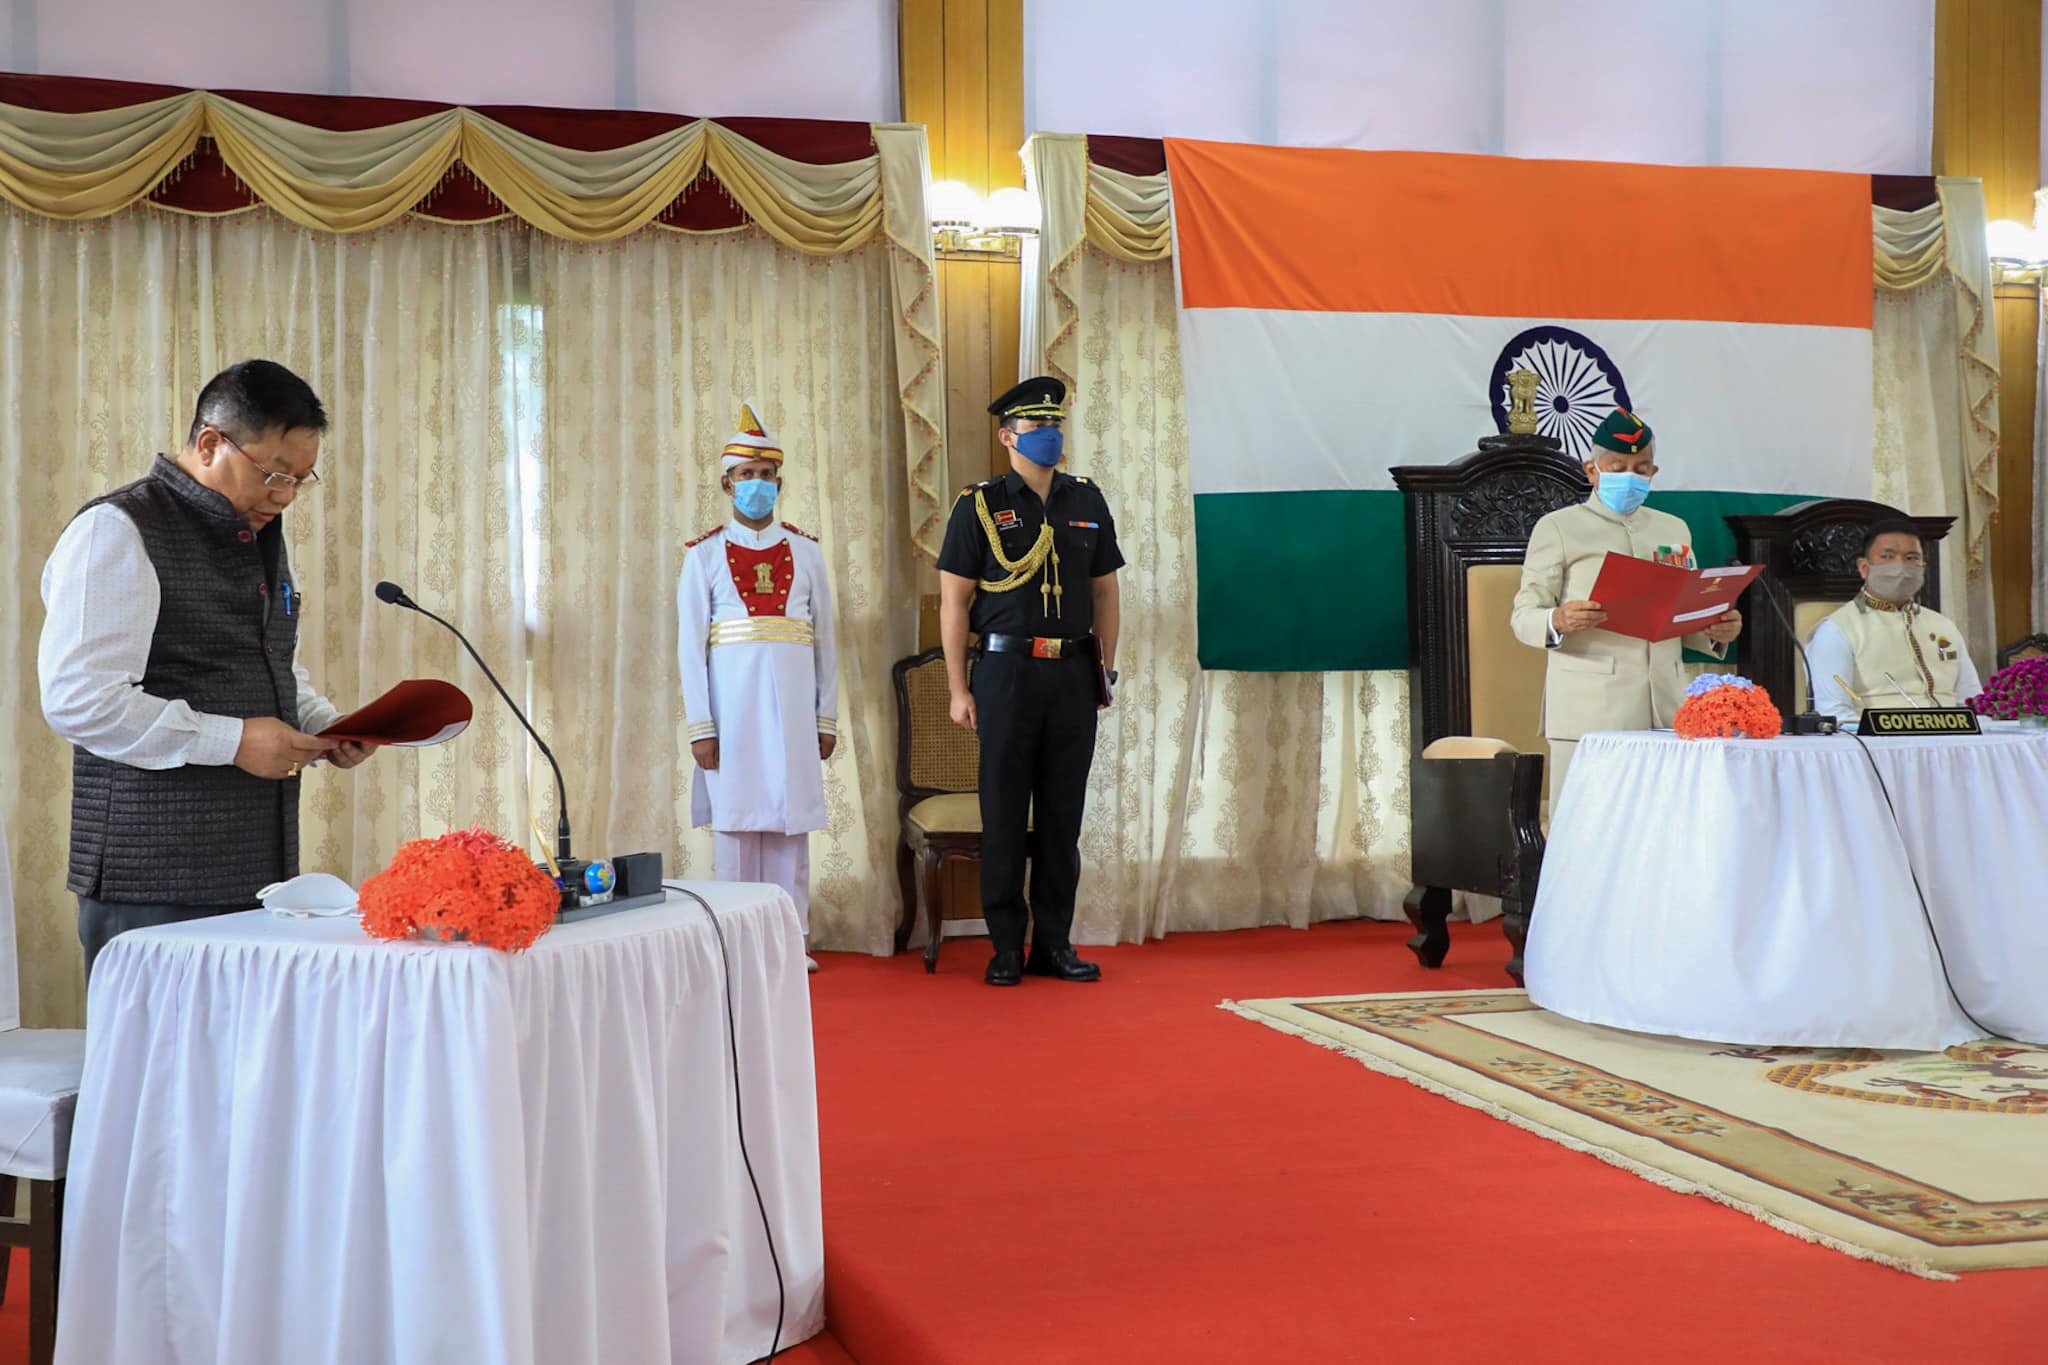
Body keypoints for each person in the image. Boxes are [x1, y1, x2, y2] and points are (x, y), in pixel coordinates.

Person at [39, 359, 373, 979]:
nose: (285, 495)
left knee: (248, 1074)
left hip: (258, 869)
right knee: (161, 1073)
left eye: (301, 479)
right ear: (211, 443)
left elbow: (268, 664)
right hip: (153, 879)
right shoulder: (118, 529)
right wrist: (236, 740)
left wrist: (326, 725)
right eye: (273, 473)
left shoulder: (255, 532)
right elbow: (80, 700)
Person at [937, 376, 1122, 987]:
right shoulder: (980, 504)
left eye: (1054, 426)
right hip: (1006, 673)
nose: (1048, 436)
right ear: (1006, 436)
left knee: (1063, 818)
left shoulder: (1086, 500)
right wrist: (960, 689)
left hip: (1071, 674)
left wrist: (1105, 670)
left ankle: (1054, 944)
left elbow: (1105, 593)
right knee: (1006, 814)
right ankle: (1006, 948)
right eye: (1035, 427)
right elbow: (954, 603)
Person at [1510, 407, 1743, 806]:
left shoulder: (1673, 528)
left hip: (1667, 705)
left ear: (1654, 472)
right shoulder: (1559, 527)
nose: (1630, 476)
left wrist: (1715, 629)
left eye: (1641, 467)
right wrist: (1558, 619)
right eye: (1618, 466)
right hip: (1592, 709)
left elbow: (1678, 614)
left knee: (1664, 824)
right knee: (1591, 827)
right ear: (1591, 469)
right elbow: (1522, 614)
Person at [677, 402, 838, 973]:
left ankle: (792, 934)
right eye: (746, 477)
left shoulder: (808, 552)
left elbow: (826, 642)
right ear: (726, 483)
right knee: (739, 822)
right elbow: (689, 651)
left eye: (767, 477)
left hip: (794, 713)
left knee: (789, 822)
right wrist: (702, 726)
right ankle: (735, 937)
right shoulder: (701, 558)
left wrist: (826, 717)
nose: (757, 486)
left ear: (780, 483)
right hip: (733, 715)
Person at [1807, 519, 1980, 724]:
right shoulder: (1836, 630)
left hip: (1956, 742)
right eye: (1887, 557)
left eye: (1911, 558)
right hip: (1879, 747)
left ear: (1922, 568)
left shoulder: (1944, 626)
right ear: (1864, 567)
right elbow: (1835, 714)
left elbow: (1973, 703)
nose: (1900, 566)